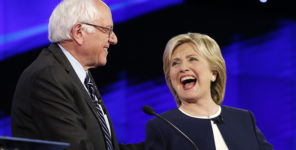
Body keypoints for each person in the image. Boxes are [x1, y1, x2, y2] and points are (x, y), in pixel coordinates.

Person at [11, 0, 143, 150]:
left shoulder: (76, 74)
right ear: (79, 33)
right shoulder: (47, 77)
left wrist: (163, 140)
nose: (114, 39)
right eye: (107, 30)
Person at [144, 33, 274, 150]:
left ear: (214, 73)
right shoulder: (161, 126)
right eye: (175, 63)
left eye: (192, 59)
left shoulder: (244, 119)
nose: (183, 68)